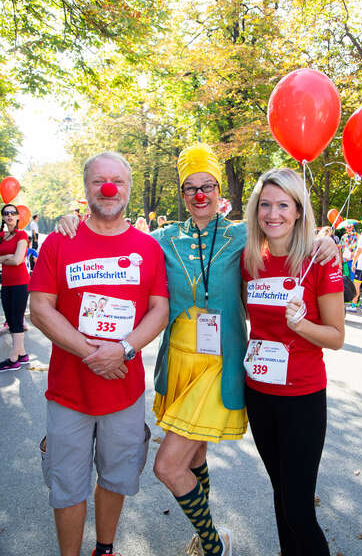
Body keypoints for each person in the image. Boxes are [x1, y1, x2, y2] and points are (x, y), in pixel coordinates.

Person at [55, 144, 338, 556]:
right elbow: (115, 240)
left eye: (207, 186)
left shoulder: (244, 234)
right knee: (193, 455)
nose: (199, 195)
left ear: (219, 190)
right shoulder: (161, 239)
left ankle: (212, 544)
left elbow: (287, 234)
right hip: (179, 364)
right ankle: (212, 536)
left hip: (218, 366)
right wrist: (74, 222)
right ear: (182, 194)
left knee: (168, 465)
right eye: (190, 188)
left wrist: (325, 239)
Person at [29, 151, 169, 556]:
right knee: (67, 483)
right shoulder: (60, 241)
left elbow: (159, 309)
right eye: (98, 182)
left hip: (122, 390)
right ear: (86, 188)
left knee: (115, 477)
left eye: (117, 181)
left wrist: (123, 350)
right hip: (69, 392)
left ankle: (104, 549)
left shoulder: (148, 248)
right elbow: (40, 307)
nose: (108, 189)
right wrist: (92, 353)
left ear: (128, 188)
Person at [241, 168, 344, 556]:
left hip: (302, 396)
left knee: (300, 509)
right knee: (282, 498)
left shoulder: (320, 259)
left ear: (299, 210)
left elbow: (336, 337)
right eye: (265, 204)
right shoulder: (250, 258)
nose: (273, 213)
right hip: (259, 394)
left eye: (283, 204)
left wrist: (301, 325)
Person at [0, 204, 31, 371]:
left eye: (13, 213)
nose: (9, 215)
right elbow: (11, 258)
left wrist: (2, 258)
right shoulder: (1, 236)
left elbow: (18, 260)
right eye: (6, 213)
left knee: (16, 319)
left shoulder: (22, 234)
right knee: (11, 319)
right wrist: (6, 257)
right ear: (3, 217)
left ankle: (13, 358)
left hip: (20, 283)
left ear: (18, 216)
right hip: (6, 283)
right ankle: (23, 354)